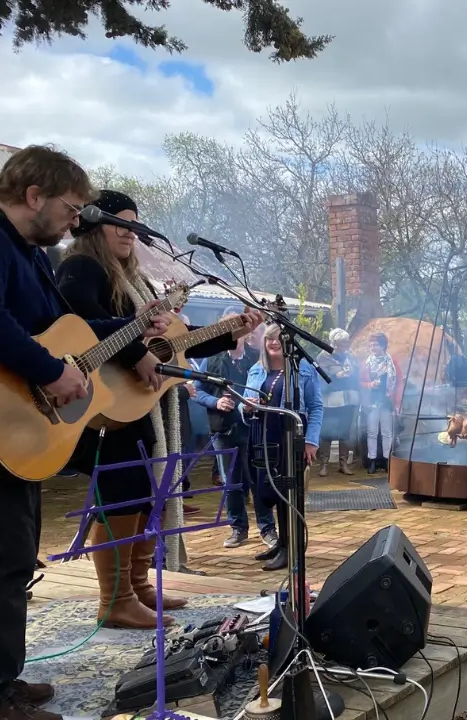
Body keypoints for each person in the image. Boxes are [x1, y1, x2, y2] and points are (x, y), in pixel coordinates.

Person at [0, 146, 174, 720]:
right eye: (71, 209)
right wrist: (49, 371)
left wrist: (135, 327)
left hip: (16, 424)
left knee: (11, 558)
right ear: (34, 195)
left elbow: (60, 331)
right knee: (1, 559)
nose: (77, 222)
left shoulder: (29, 254)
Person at [56, 189, 262, 626]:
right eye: (121, 224)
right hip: (104, 402)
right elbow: (81, 325)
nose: (130, 234)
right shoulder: (81, 266)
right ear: (95, 224)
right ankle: (115, 600)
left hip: (138, 404)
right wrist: (137, 356)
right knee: (122, 495)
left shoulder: (136, 280)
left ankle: (137, 586)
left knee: (144, 493)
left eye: (134, 225)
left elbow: (169, 342)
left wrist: (230, 331)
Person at [244, 323, 324, 571]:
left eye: (279, 338)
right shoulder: (257, 369)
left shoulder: (304, 370)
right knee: (269, 492)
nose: (273, 342)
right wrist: (244, 407)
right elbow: (243, 404)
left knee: (289, 494)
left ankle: (292, 550)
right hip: (261, 436)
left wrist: (310, 441)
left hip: (289, 437)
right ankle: (281, 544)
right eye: (269, 339)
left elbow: (316, 406)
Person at [196, 335, 276, 551]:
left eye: (237, 331)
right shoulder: (211, 359)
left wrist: (260, 400)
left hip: (254, 428)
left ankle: (267, 528)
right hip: (223, 429)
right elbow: (197, 390)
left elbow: (271, 385)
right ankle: (238, 527)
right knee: (231, 482)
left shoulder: (256, 357)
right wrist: (216, 401)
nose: (233, 336)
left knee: (258, 479)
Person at [316, 328, 360, 476]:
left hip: (348, 399)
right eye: (342, 343)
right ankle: (324, 465)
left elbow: (357, 374)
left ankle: (343, 464)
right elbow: (319, 377)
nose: (345, 346)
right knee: (326, 433)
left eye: (346, 343)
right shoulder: (323, 357)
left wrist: (351, 373)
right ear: (334, 342)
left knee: (345, 432)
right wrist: (336, 375)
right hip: (330, 401)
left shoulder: (350, 356)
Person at [359, 332, 398, 474]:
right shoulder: (365, 364)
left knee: (387, 432)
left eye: (375, 345)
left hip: (387, 401)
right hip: (372, 402)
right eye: (371, 345)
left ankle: (387, 460)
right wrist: (370, 384)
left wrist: (397, 403)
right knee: (372, 432)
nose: (372, 347)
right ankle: (372, 461)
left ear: (383, 346)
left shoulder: (392, 362)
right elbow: (360, 383)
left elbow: (398, 383)